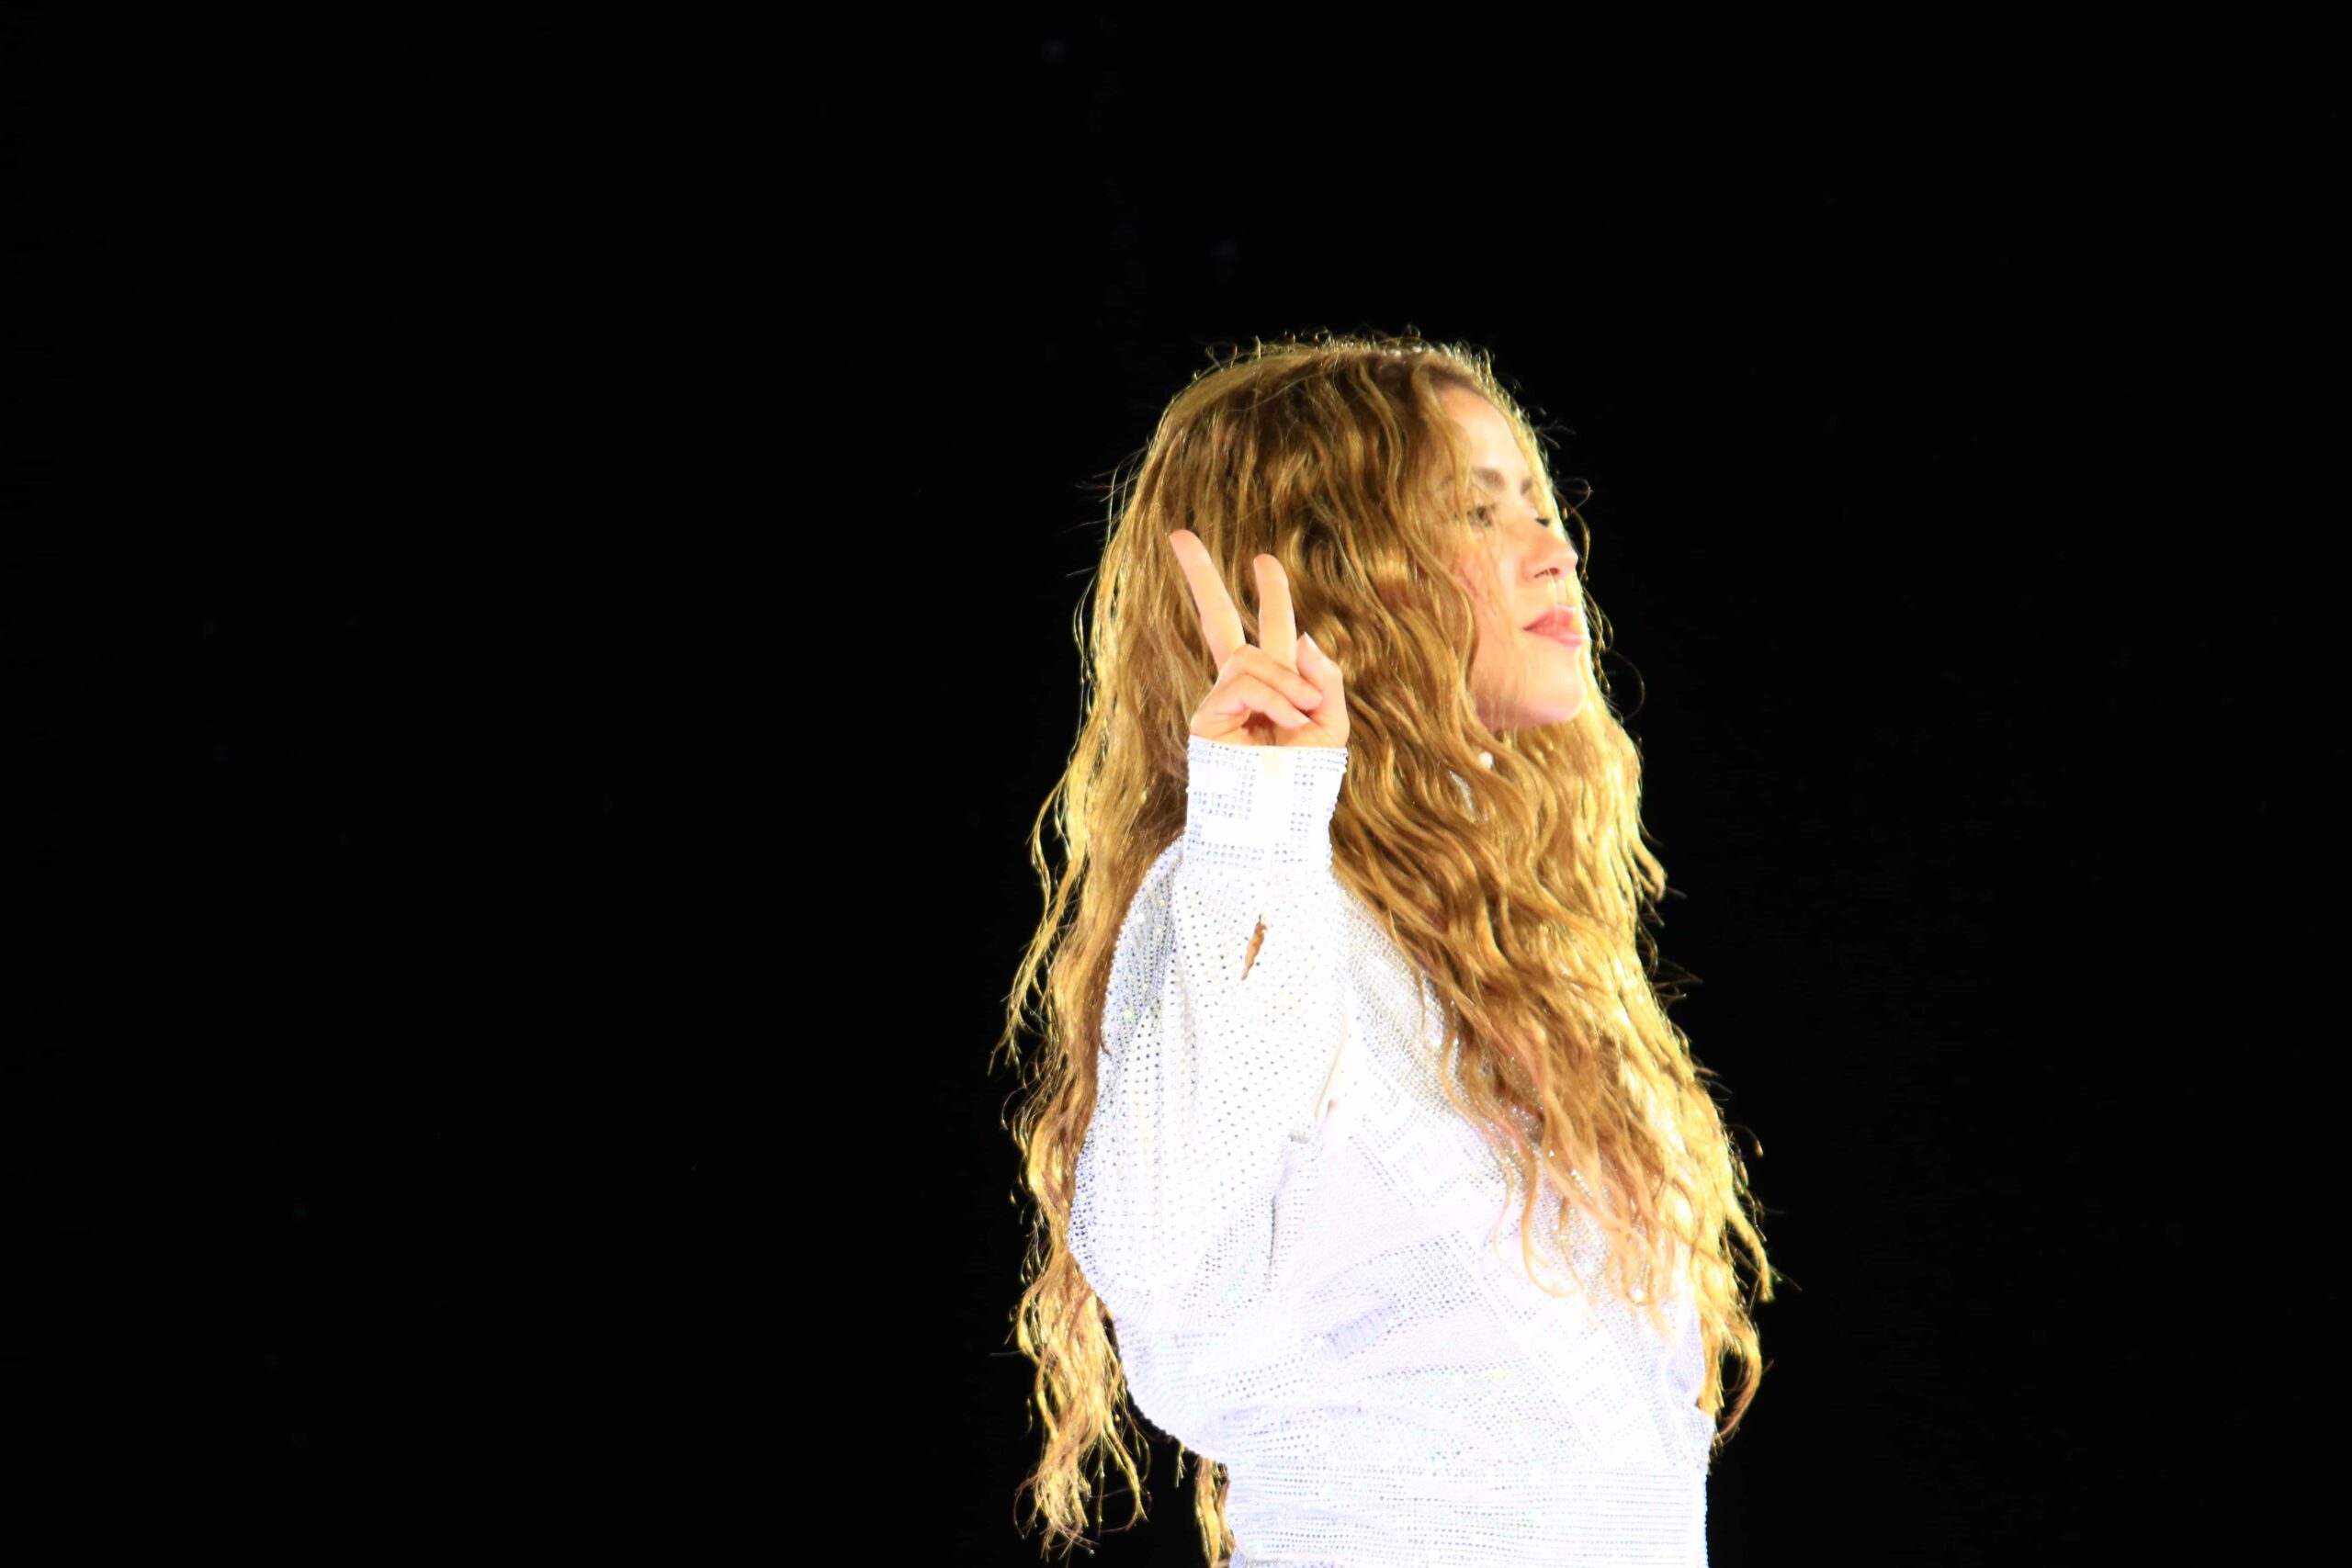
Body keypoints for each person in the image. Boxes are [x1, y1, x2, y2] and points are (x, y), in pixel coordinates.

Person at [998, 332, 1777, 1566]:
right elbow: (1155, 1255)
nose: (1554, 548)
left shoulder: (1493, 937)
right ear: (1339, 577)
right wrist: (1256, 827)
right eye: (1477, 511)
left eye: (1539, 503)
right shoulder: (1257, 895)